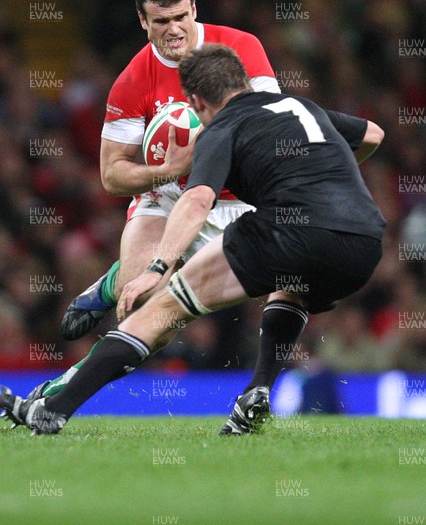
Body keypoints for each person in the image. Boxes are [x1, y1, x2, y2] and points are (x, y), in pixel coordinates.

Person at [0, 43, 386, 435]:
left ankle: (52, 410)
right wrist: (323, 177)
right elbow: (372, 134)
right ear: (244, 81)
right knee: (292, 286)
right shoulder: (302, 106)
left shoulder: (221, 127)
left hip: (293, 232)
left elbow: (198, 199)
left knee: (164, 309)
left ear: (197, 101)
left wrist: (157, 267)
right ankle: (257, 391)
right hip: (364, 241)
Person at [3, 0, 308, 428]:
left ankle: (257, 389)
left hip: (238, 197)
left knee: (285, 278)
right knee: (148, 306)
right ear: (143, 22)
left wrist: (215, 149)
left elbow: (270, 126)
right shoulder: (133, 80)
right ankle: (110, 294)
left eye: (180, 17)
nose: (173, 30)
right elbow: (111, 174)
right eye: (160, 22)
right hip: (166, 199)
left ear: (195, 9)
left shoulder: (242, 48)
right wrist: (168, 170)